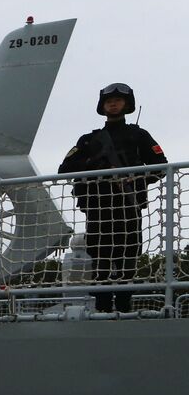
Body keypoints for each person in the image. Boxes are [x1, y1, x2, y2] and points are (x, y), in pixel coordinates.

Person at [58, 83, 166, 314]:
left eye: (118, 100)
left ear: (127, 105)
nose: (114, 104)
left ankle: (125, 309)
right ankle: (103, 309)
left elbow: (160, 167)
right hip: (98, 208)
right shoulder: (89, 140)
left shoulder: (139, 135)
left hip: (128, 206)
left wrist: (135, 178)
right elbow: (64, 169)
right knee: (101, 261)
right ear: (103, 106)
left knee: (127, 259)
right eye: (109, 101)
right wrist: (92, 165)